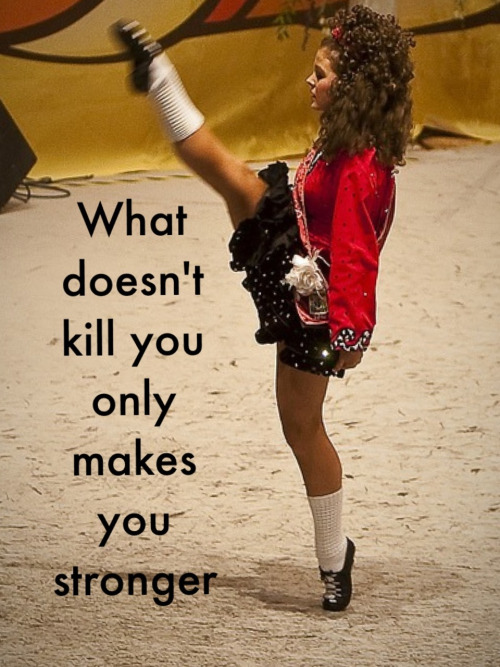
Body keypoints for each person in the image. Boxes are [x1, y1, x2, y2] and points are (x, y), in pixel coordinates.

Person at [114, 5, 414, 612]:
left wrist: (351, 336)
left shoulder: (360, 168)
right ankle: (159, 73)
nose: (309, 80)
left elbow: (359, 256)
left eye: (320, 74)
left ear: (351, 89)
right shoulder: (346, 139)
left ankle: (334, 556)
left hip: (317, 306)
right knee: (225, 171)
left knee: (302, 428)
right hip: (294, 240)